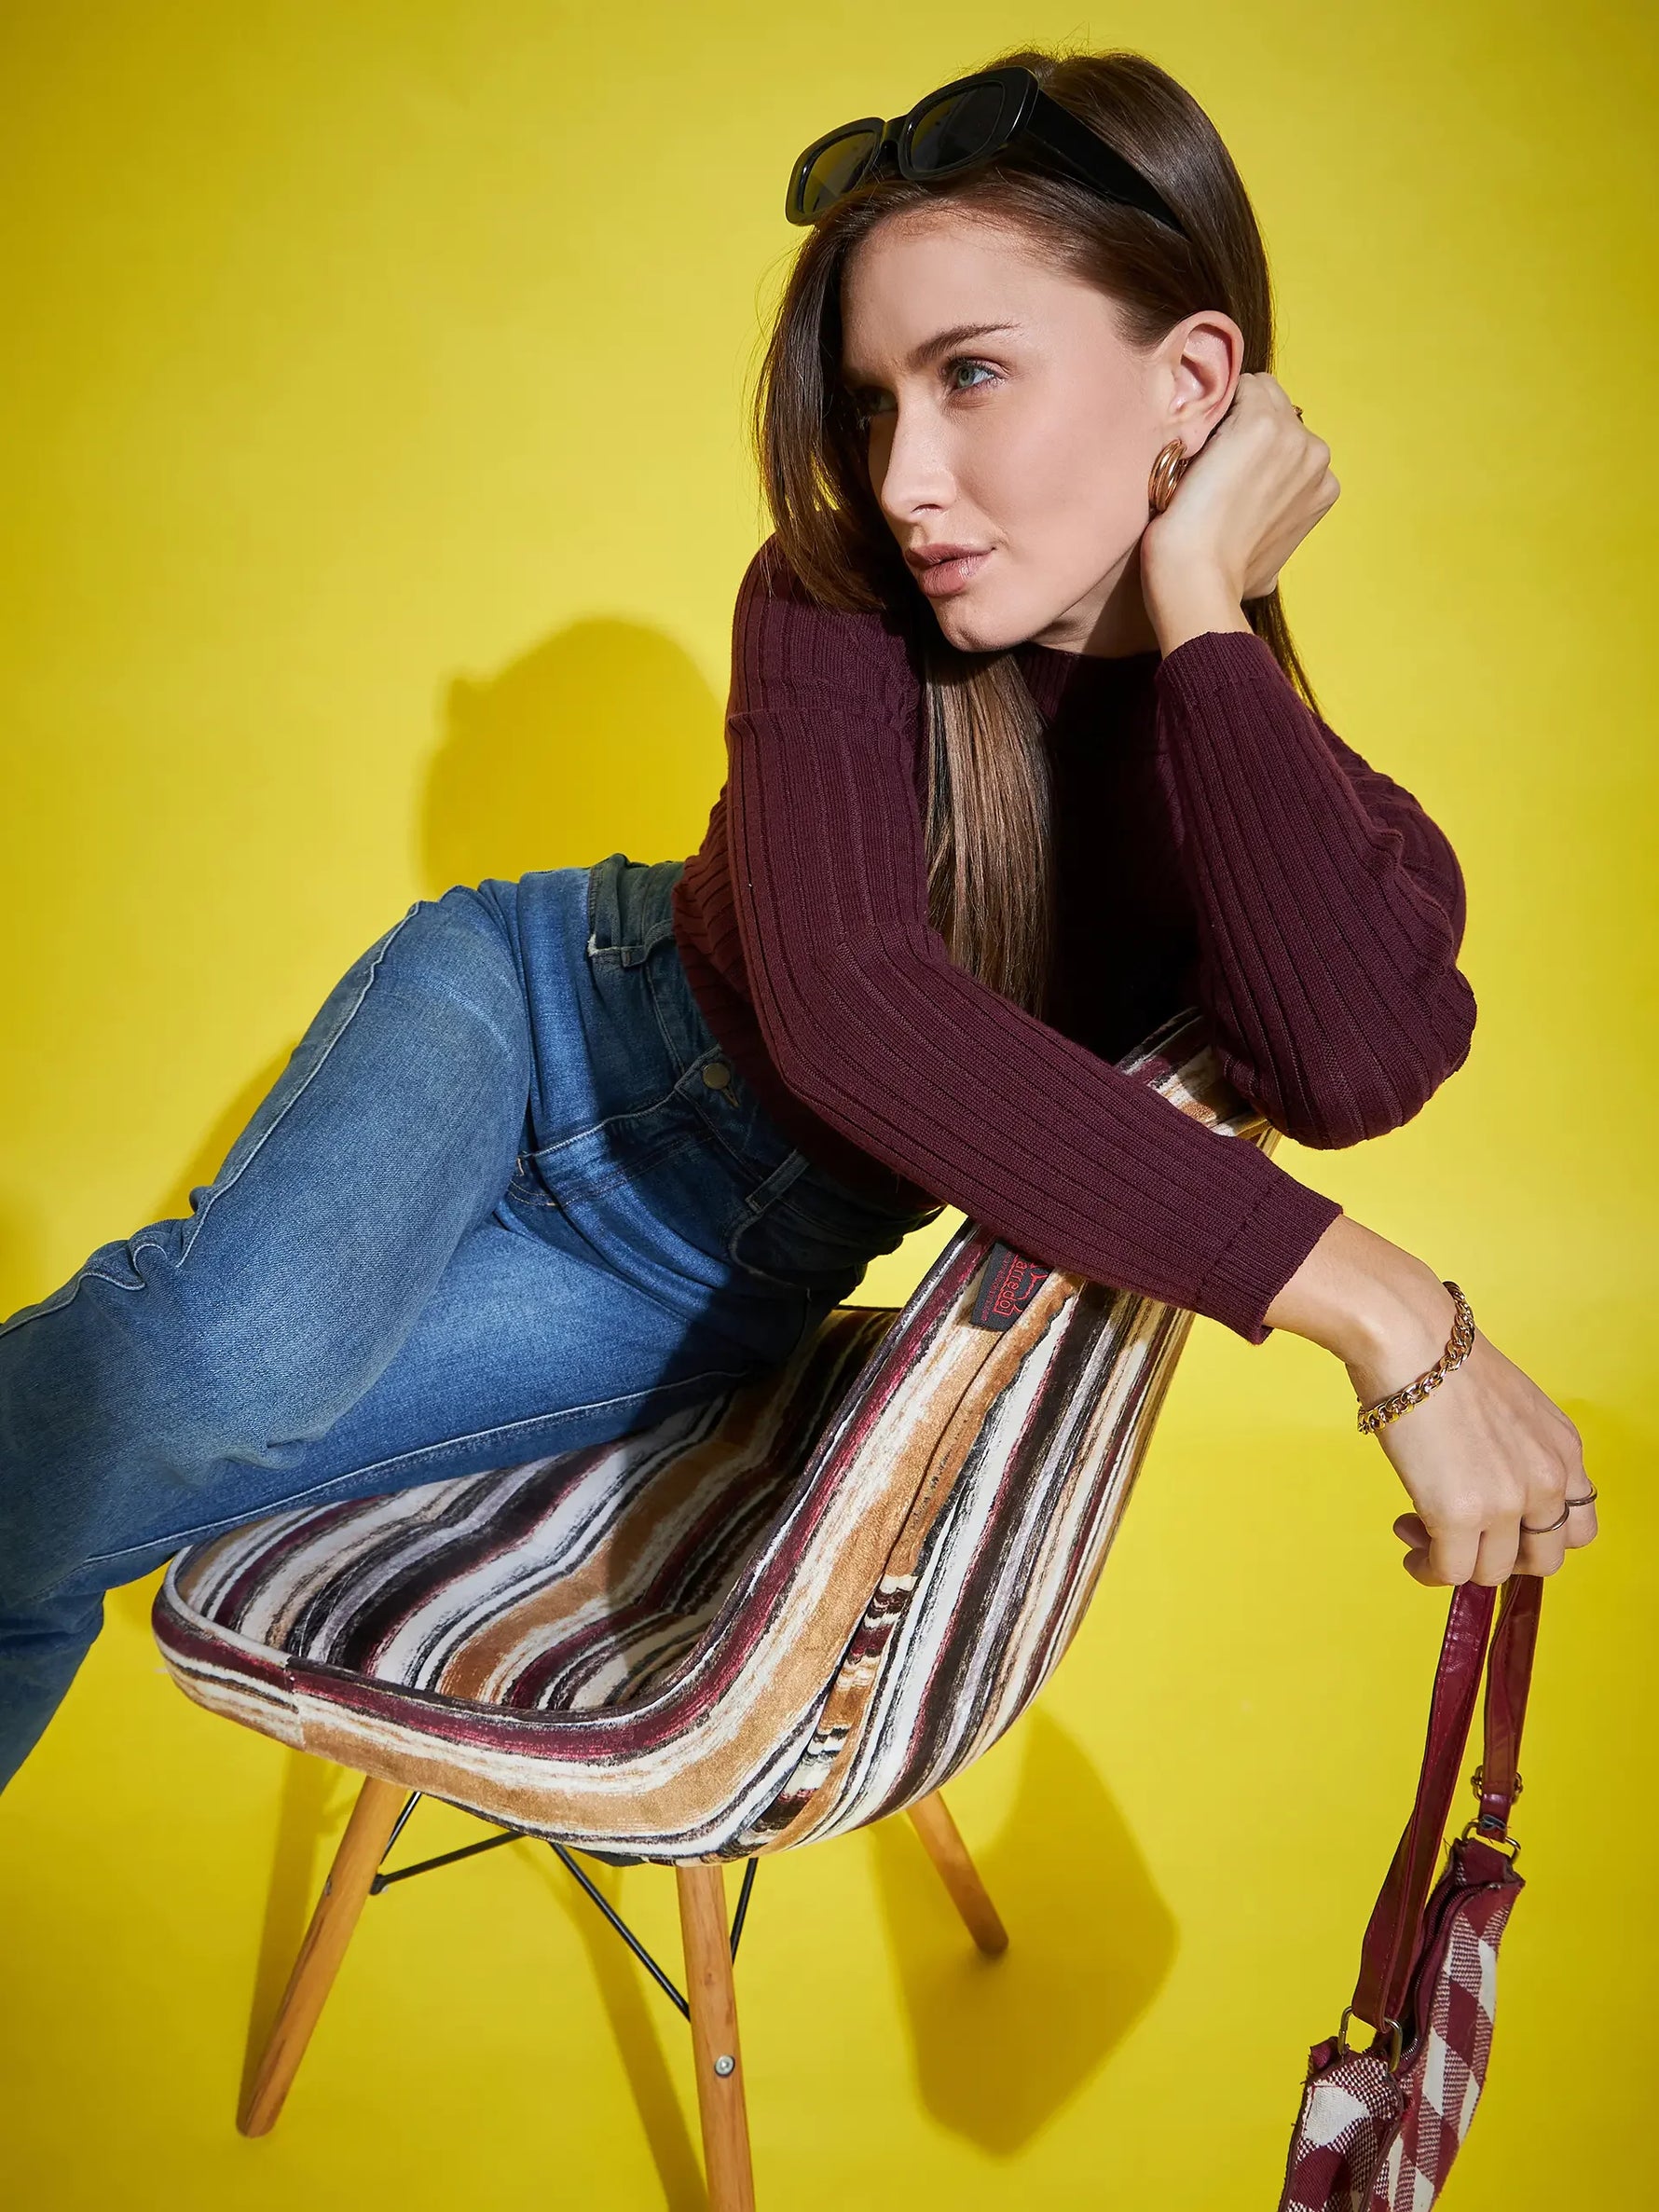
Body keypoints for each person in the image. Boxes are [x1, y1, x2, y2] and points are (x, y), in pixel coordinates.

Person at [0, 44, 1595, 1795]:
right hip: (524, 1012)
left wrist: (1205, 604)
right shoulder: (827, 606)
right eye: (873, 401)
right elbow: (854, 1008)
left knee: (65, 1482)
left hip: (695, 1271)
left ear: (1195, 382)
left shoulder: (1319, 809)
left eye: (970, 374)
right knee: (199, 1376)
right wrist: (1385, 1313)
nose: (903, 477)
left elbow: (1353, 1058)